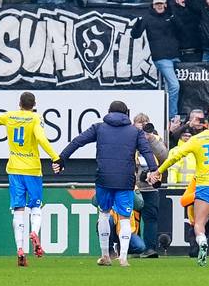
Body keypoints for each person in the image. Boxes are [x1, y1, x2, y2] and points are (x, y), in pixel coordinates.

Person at [55, 100, 159, 267]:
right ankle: (123, 258)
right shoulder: (135, 132)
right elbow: (146, 150)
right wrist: (154, 170)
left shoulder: (99, 128)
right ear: (126, 114)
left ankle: (105, 255)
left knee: (103, 214)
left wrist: (61, 158)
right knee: (125, 218)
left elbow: (77, 141)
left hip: (104, 178)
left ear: (109, 112)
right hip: (126, 180)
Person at [0, 91, 59, 267]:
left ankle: (20, 249)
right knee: (35, 206)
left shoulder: (9, 116)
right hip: (33, 170)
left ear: (19, 103)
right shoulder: (35, 119)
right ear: (34, 105)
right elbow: (41, 139)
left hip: (14, 170)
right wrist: (54, 157)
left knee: (18, 209)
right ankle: (34, 232)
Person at [150, 110, 209, 267]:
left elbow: (174, 157)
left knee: (199, 222)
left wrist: (158, 171)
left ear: (206, 124)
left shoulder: (196, 139)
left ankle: (203, 242)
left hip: (205, 184)